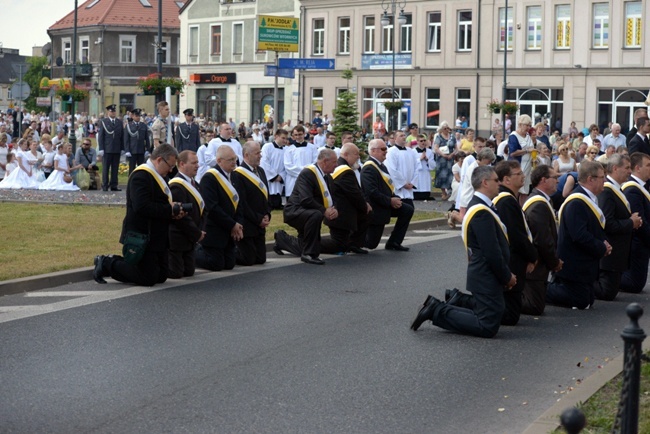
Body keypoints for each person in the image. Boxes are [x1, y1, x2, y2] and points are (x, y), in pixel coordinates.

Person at [410, 165, 516, 338]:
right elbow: (491, 252)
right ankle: (436, 310)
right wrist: (506, 277)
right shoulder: (481, 212)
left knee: (493, 315)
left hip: (485, 274)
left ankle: (449, 303)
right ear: (485, 182)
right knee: (487, 326)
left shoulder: (483, 206)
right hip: (485, 273)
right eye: (496, 180)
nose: (500, 183)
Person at [93, 144, 184, 286]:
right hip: (142, 234)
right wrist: (169, 210)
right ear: (159, 160)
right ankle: (106, 263)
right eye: (170, 166)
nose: (172, 170)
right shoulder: (140, 176)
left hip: (156, 234)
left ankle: (119, 263)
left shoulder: (160, 175)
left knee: (161, 275)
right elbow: (141, 207)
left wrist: (173, 212)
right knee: (148, 278)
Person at [546, 161, 612, 309]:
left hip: (585, 264)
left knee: (588, 300)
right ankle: (542, 289)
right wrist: (601, 247)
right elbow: (579, 235)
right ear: (591, 179)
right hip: (574, 265)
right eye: (602, 177)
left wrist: (604, 243)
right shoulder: (576, 202)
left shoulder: (589, 198)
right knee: (581, 301)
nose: (605, 181)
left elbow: (595, 227)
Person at [273, 149, 339, 265]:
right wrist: (324, 211)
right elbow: (306, 199)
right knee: (316, 215)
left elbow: (334, 198)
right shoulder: (307, 173)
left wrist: (334, 210)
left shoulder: (328, 177)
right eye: (334, 162)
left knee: (308, 243)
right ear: (325, 161)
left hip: (308, 212)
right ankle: (308, 254)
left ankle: (282, 240)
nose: (336, 165)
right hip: (295, 211)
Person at [596, 154, 641, 300]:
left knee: (611, 291)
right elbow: (607, 223)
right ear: (615, 168)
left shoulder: (617, 189)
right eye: (627, 168)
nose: (630, 171)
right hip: (610, 255)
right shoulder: (607, 191)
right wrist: (630, 222)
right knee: (606, 292)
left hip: (618, 255)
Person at [521, 165, 563, 315]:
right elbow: (543, 240)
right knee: (533, 306)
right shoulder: (538, 205)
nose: (558, 181)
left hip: (540, 267)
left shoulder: (544, 201)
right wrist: (554, 263)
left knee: (536, 305)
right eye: (555, 178)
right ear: (543, 180)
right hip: (535, 268)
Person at [195, 146, 243, 271]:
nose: (234, 162)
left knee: (229, 264)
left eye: (235, 159)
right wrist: (232, 224)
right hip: (215, 230)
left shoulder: (235, 176)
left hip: (229, 230)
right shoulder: (209, 178)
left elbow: (239, 203)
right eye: (230, 160)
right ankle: (194, 252)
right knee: (216, 264)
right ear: (219, 161)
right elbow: (212, 207)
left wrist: (238, 224)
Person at [361, 139, 414, 251]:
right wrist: (390, 201)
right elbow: (372, 192)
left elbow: (387, 187)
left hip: (385, 203)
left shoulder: (381, 166)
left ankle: (394, 242)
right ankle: (351, 240)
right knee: (371, 244)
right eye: (383, 149)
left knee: (407, 210)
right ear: (374, 150)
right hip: (376, 207)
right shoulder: (369, 168)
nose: (386, 151)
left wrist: (395, 198)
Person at [321, 143, 371, 254]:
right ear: (346, 155)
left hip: (341, 213)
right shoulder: (345, 171)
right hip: (340, 216)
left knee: (341, 245)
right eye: (356, 154)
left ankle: (353, 244)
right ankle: (300, 243)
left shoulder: (341, 167)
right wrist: (364, 205)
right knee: (338, 245)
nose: (358, 156)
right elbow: (354, 194)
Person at [231, 141, 271, 266]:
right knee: (248, 260)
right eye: (257, 153)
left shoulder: (261, 171)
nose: (260, 156)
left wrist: (267, 215)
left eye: (260, 152)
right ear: (247, 155)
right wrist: (258, 219)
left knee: (260, 259)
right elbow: (242, 203)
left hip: (260, 225)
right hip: (248, 224)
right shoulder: (238, 175)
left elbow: (266, 197)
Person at [168, 150, 205, 279]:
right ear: (182, 164)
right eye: (193, 163)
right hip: (178, 239)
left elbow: (203, 210)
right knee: (176, 273)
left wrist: (200, 230)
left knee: (189, 271)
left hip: (190, 239)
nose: (197, 166)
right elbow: (181, 217)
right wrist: (196, 233)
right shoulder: (177, 186)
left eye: (197, 162)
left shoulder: (196, 185)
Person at [620, 152, 650, 293]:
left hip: (642, 243)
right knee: (634, 284)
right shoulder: (632, 190)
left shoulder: (641, 188)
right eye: (648, 165)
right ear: (637, 168)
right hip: (637, 244)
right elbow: (640, 222)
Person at [283, 125, 318, 199]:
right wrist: (304, 171)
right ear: (293, 136)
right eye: (296, 135)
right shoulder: (289, 149)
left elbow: (315, 162)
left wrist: (307, 172)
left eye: (300, 134)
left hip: (308, 178)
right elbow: (288, 166)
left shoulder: (312, 148)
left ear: (304, 134)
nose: (298, 137)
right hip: (293, 179)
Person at [386, 130, 419, 205]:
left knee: (410, 209)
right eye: (401, 136)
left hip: (409, 188)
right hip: (398, 189)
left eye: (404, 135)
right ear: (395, 138)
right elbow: (392, 170)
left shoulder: (411, 151)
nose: (404, 137)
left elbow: (417, 167)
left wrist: (413, 183)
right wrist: (403, 184)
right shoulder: (391, 152)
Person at [508, 114, 535, 202]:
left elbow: (532, 149)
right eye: (526, 125)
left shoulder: (528, 136)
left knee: (525, 191)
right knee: (517, 190)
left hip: (528, 168)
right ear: (520, 125)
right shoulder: (513, 136)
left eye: (529, 125)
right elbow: (512, 153)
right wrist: (527, 151)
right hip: (518, 167)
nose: (528, 127)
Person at [97, 104, 124, 191]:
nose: (113, 113)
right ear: (108, 112)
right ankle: (105, 185)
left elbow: (122, 136)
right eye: (111, 111)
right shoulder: (104, 122)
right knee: (105, 168)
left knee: (115, 168)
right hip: (107, 149)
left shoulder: (119, 122)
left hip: (116, 149)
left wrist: (122, 148)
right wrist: (101, 148)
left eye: (114, 111)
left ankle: (114, 185)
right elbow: (101, 136)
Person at [260, 128, 288, 210]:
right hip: (269, 178)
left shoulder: (286, 150)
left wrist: (281, 176)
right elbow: (264, 162)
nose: (285, 140)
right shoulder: (267, 147)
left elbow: (286, 166)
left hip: (279, 179)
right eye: (283, 138)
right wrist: (274, 176)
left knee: (277, 197)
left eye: (286, 138)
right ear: (276, 136)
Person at [433, 121, 457, 200]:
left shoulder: (452, 137)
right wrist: (443, 155)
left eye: (448, 128)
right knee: (442, 175)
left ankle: (449, 191)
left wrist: (452, 154)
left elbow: (456, 148)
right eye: (445, 128)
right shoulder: (439, 137)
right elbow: (436, 148)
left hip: (450, 159)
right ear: (442, 129)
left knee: (450, 175)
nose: (447, 130)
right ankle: (443, 192)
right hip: (441, 159)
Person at [413, 134, 436, 200]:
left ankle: (425, 194)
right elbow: (412, 163)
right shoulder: (413, 151)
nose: (423, 142)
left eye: (424, 140)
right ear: (417, 142)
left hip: (426, 171)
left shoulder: (429, 151)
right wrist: (420, 159)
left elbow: (433, 165)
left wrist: (427, 159)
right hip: (418, 172)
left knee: (425, 185)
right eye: (421, 141)